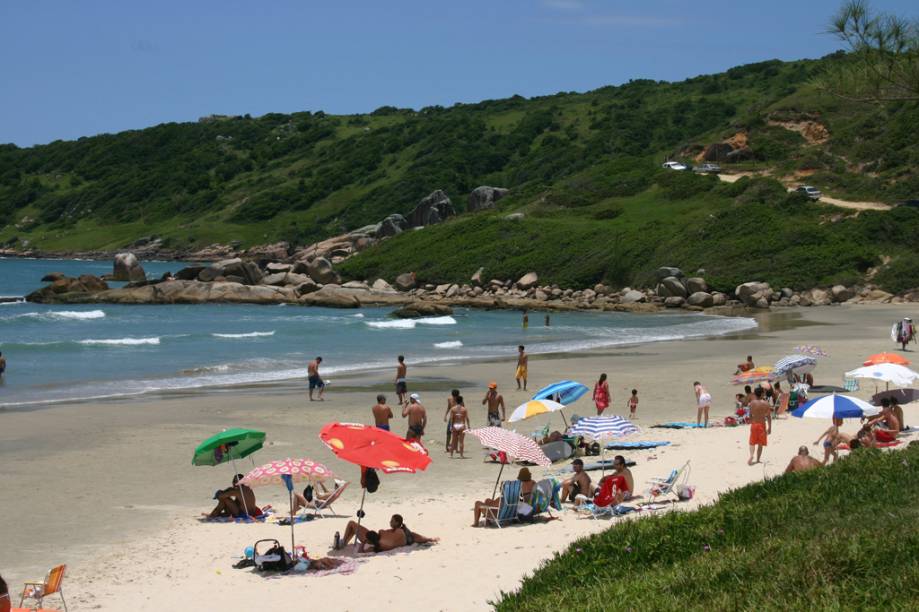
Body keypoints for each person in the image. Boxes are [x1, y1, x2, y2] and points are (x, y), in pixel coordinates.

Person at [342, 514, 438, 552]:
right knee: (353, 527)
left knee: (352, 524)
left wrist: (381, 532)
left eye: (392, 521)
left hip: (373, 540)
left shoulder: (398, 532)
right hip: (376, 541)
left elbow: (383, 539)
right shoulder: (404, 533)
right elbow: (417, 537)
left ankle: (343, 543)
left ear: (397, 523)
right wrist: (429, 539)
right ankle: (344, 542)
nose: (390, 522)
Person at [747, 387, 772, 465]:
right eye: (763, 393)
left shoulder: (752, 403)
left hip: (754, 424)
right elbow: (768, 417)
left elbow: (750, 415)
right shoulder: (766, 404)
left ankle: (751, 455)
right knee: (760, 443)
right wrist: (770, 427)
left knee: (752, 442)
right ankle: (758, 459)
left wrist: (751, 421)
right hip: (762, 425)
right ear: (761, 394)